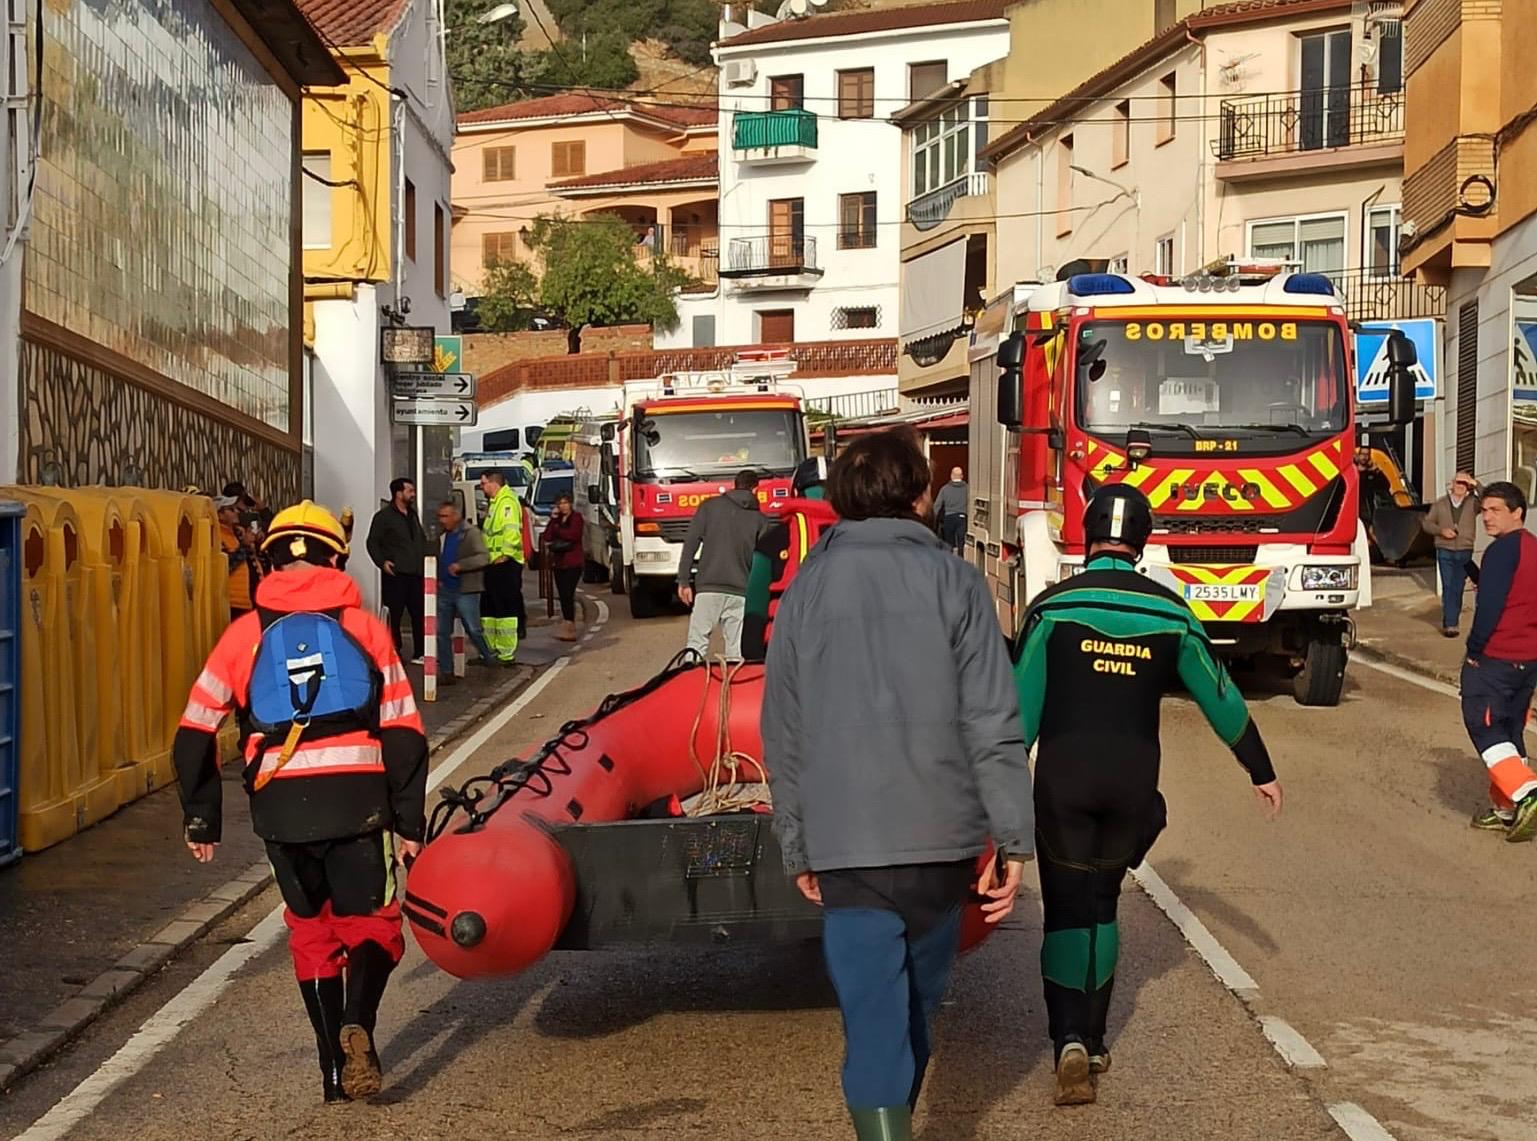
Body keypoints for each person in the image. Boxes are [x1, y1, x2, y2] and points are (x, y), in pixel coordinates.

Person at [762, 429, 1033, 1141]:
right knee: (914, 1011)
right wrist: (1010, 838)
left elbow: (782, 729)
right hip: (940, 844)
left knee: (877, 1025)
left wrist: (796, 843)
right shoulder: (957, 581)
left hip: (846, 844)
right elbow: (991, 718)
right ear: (920, 494)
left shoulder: (806, 589)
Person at [1012, 483, 1282, 1106]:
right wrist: (1259, 769)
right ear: (1143, 541)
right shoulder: (1171, 612)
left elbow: (1018, 720)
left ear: (1084, 535)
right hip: (1131, 784)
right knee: (1104, 905)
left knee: (1066, 908)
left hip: (1065, 784)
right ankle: (1099, 1038)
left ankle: (1068, 1039)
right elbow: (1222, 697)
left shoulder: (1054, 607)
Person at [173, 501, 427, 1103]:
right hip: (357, 802)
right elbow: (402, 729)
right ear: (335, 558)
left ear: (269, 559)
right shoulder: (364, 628)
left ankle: (332, 1074)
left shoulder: (243, 635)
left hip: (281, 810)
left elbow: (194, 731)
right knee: (374, 924)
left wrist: (202, 815)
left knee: (311, 933)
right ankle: (358, 1022)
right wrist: (410, 821)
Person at [1461, 481, 1537, 841]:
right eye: (1484, 510)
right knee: (1509, 730)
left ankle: (1527, 792)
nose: (1486, 517)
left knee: (1483, 724)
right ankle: (1506, 809)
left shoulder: (1501, 550)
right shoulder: (1531, 547)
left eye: (1495, 510)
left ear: (1517, 512)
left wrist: (1475, 650)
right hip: (1527, 658)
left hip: (1496, 656)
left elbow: (1490, 607)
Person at [742, 456, 839, 663]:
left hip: (784, 652)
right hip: (845, 653)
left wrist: (751, 653)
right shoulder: (861, 534)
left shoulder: (773, 540)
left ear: (795, 491)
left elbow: (755, 601)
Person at [677, 470, 768, 661]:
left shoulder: (709, 507)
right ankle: (733, 690)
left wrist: (684, 580)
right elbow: (763, 561)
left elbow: (691, 542)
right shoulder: (760, 520)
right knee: (736, 654)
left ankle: (693, 686)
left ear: (734, 485)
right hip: (742, 592)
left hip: (708, 587)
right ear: (756, 489)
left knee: (696, 646)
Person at [366, 478, 427, 663]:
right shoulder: (383, 517)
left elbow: (419, 540)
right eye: (410, 490)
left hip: (415, 574)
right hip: (396, 574)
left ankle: (420, 652)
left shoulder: (412, 515)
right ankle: (395, 650)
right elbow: (372, 542)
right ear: (398, 493)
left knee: (418, 613)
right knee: (395, 614)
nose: (413, 494)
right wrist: (382, 562)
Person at [435, 500, 495, 681]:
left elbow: (484, 557)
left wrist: (461, 566)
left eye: (445, 516)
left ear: (455, 516)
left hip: (466, 589)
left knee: (473, 628)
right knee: (442, 632)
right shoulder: (441, 536)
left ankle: (488, 657)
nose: (441, 520)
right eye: (440, 516)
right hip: (445, 590)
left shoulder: (471, 533)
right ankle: (447, 671)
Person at [1423, 471, 1482, 637]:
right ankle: (1451, 624)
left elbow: (1488, 502)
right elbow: (1427, 523)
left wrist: (1475, 483)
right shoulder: (1440, 504)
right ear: (1452, 484)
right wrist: (1441, 531)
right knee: (1449, 587)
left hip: (1464, 550)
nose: (1461, 486)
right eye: (1458, 482)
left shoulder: (1473, 503)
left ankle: (1451, 618)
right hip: (1445, 550)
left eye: (1464, 484)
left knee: (1458, 586)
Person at [479, 470, 525, 666]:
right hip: (492, 564)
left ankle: (506, 654)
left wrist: (505, 554)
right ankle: (490, 649)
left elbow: (511, 532)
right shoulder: (496, 502)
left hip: (504, 564)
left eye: (483, 484)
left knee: (504, 608)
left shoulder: (507, 503)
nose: (481, 488)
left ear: (493, 483)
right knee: (489, 608)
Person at [542, 491, 585, 643]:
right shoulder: (557, 520)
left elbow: (573, 535)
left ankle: (570, 625)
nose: (563, 506)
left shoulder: (577, 518)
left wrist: (558, 531)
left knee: (568, 593)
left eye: (566, 503)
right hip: (559, 562)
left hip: (573, 562)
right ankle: (568, 623)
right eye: (560, 503)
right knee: (562, 595)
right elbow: (547, 536)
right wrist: (553, 521)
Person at [217, 494, 263, 620]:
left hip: (246, 600)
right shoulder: (216, 535)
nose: (236, 512)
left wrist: (256, 543)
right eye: (231, 509)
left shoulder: (236, 533)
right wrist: (245, 545)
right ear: (220, 515)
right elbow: (226, 566)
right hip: (232, 602)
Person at [933, 466, 969, 555]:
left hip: (949, 518)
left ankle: (950, 561)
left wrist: (932, 519)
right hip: (962, 517)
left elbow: (937, 505)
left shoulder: (944, 489)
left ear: (951, 476)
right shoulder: (968, 489)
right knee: (961, 542)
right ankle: (961, 559)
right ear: (962, 476)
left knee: (949, 543)